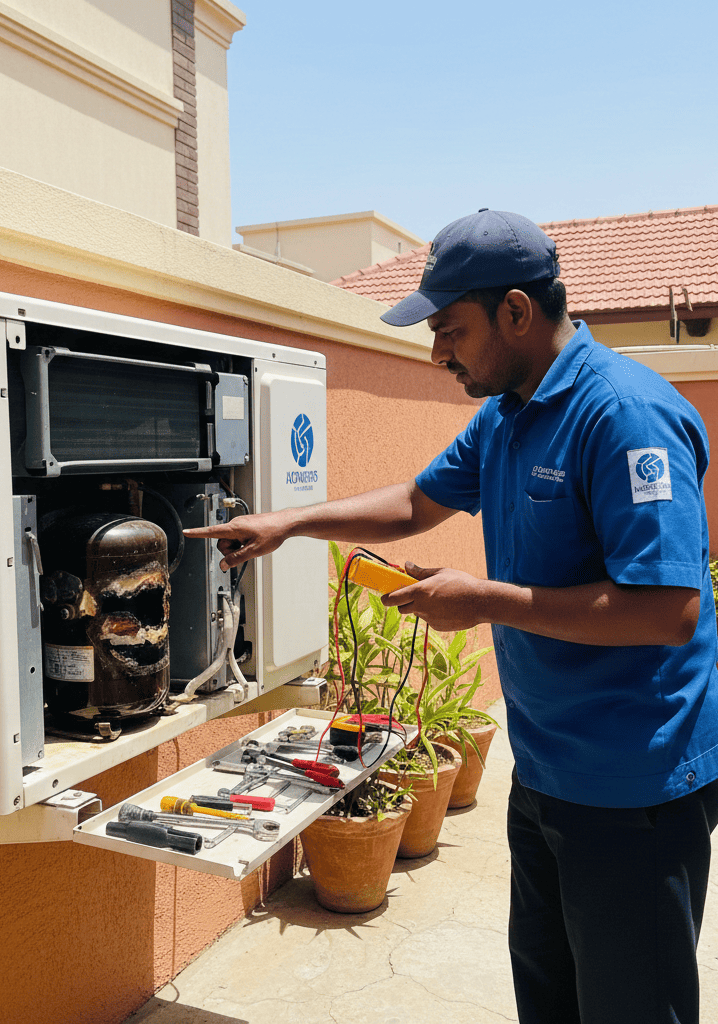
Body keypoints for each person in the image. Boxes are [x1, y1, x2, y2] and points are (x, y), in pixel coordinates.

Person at [185, 209, 718, 1024]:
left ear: (517, 311)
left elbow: (668, 610)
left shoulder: (623, 415)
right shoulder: (507, 414)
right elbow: (414, 503)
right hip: (545, 769)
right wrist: (289, 522)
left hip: (632, 783)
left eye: (450, 329)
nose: (438, 353)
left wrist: (484, 601)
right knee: (549, 996)